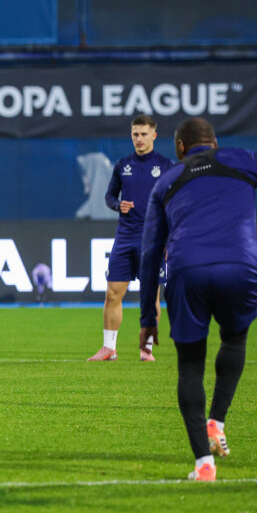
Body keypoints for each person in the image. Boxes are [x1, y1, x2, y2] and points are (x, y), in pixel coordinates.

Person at [139, 117, 257, 482]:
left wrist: (147, 320)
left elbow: (150, 254)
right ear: (214, 143)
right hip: (239, 266)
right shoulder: (242, 159)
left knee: (190, 366)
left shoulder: (167, 180)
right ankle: (217, 420)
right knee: (234, 338)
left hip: (187, 271)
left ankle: (203, 465)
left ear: (180, 147)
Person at [88, 115, 175, 362]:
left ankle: (146, 349)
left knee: (151, 297)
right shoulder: (122, 165)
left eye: (144, 134)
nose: (139, 138)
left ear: (154, 136)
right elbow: (109, 196)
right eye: (135, 134)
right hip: (125, 238)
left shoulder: (166, 166)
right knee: (113, 294)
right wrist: (118, 205)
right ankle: (108, 348)